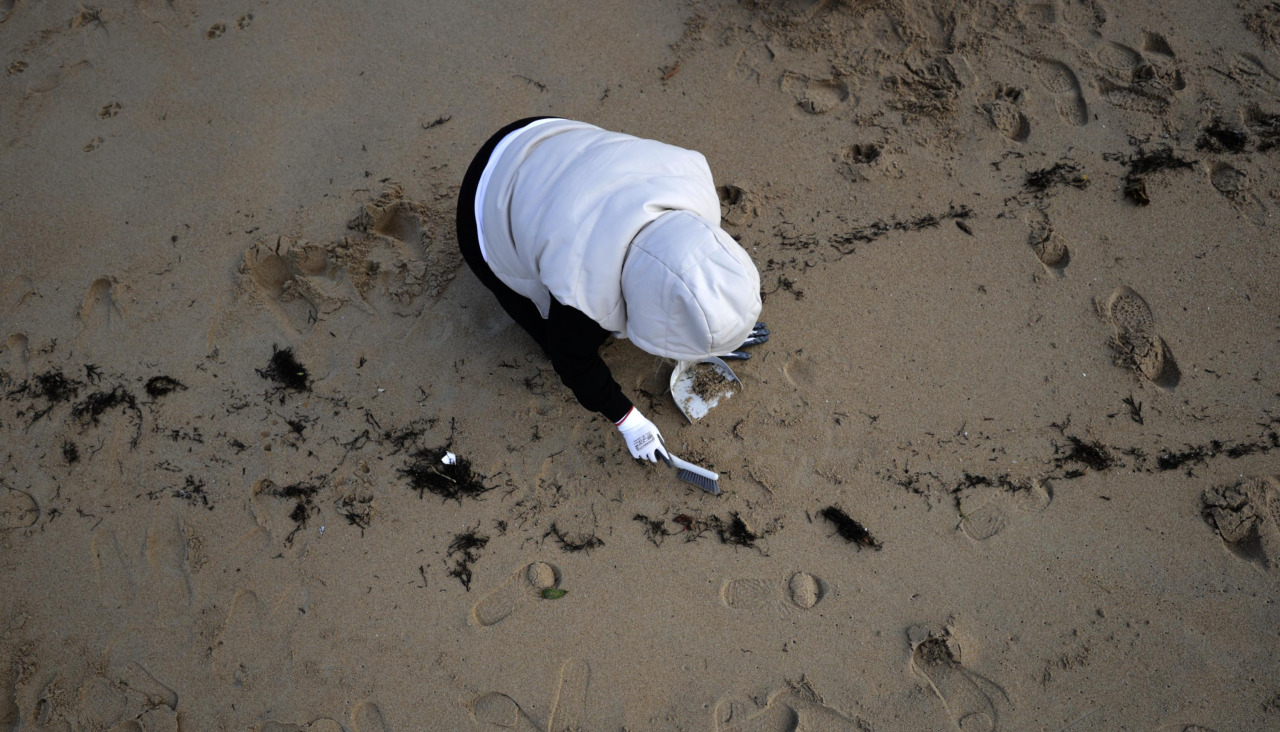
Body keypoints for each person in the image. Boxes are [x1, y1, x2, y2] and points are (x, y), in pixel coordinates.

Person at [456, 117, 766, 465]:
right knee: (550, 339)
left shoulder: (696, 191)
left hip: (548, 138)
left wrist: (726, 323)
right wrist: (629, 420)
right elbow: (572, 362)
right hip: (484, 204)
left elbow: (702, 270)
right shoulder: (581, 295)